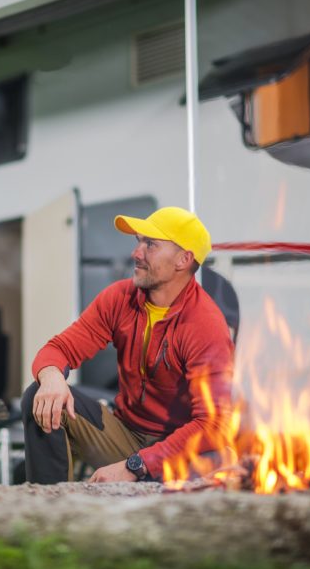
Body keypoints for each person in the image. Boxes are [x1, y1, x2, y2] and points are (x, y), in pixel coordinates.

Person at [21, 206, 234, 483]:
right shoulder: (119, 298)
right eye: (138, 242)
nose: (136, 252)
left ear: (184, 259)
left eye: (151, 245)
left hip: (177, 453)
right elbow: (59, 349)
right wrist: (51, 377)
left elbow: (214, 424)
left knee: (219, 457)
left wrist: (136, 465)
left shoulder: (205, 325)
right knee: (39, 396)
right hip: (125, 434)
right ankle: (51, 509)